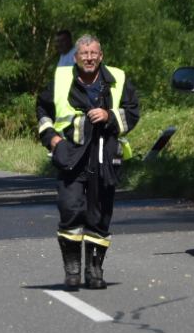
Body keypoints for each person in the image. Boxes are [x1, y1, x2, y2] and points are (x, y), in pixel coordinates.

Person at [37, 34, 140, 289]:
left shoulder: (117, 78)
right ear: (76, 57)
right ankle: (72, 270)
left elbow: (133, 112)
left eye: (94, 53)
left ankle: (95, 271)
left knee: (99, 215)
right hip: (71, 155)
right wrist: (53, 140)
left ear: (101, 56)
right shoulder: (61, 79)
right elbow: (42, 112)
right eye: (84, 54)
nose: (89, 58)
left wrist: (109, 115)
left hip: (105, 156)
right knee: (70, 209)